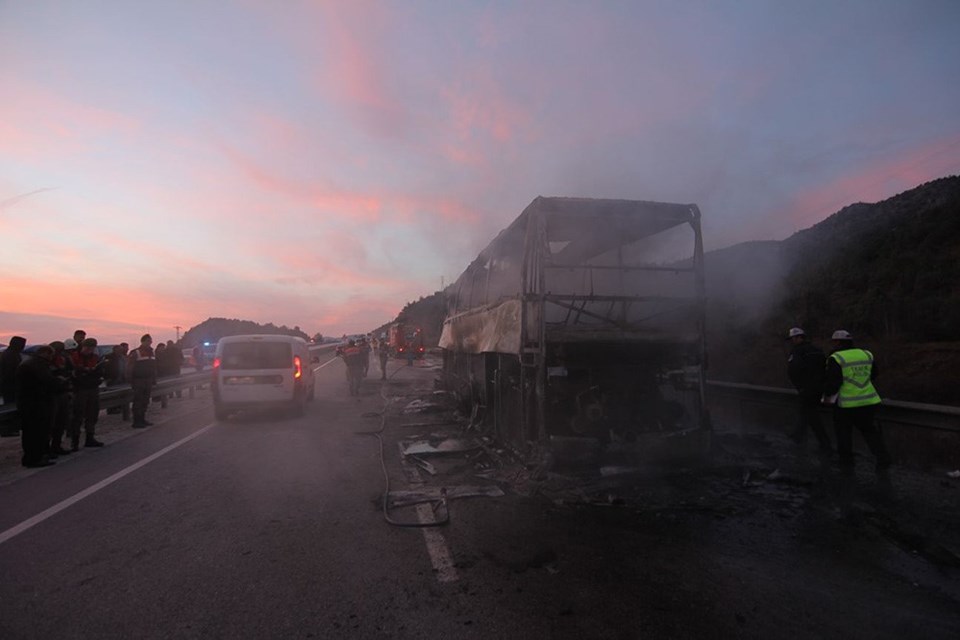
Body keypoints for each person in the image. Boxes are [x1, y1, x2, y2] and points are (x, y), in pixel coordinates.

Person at [822, 329, 892, 472]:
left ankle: (847, 463)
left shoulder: (836, 357)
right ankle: (883, 458)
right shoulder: (866, 354)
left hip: (846, 404)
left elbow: (833, 382)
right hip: (868, 401)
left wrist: (827, 395)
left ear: (837, 342)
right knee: (870, 431)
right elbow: (874, 374)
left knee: (844, 434)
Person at [16, 345, 67, 467]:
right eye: (50, 355)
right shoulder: (37, 364)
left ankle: (35, 457)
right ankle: (34, 458)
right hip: (35, 403)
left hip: (31, 402)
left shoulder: (31, 363)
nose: (51, 358)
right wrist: (60, 381)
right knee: (36, 432)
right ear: (45, 353)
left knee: (33, 432)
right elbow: (47, 381)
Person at [785, 327, 831, 452]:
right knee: (805, 413)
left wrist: (800, 386)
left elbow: (793, 370)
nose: (792, 341)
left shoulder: (797, 351)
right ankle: (797, 437)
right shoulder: (818, 350)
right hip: (819, 388)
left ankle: (825, 444)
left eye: (793, 338)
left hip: (806, 388)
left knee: (811, 415)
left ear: (799, 337)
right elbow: (825, 368)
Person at [70, 337, 105, 448]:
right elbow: (73, 373)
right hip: (80, 389)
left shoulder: (95, 358)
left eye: (92, 348)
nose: (89, 350)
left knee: (92, 414)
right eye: (88, 347)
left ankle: (90, 438)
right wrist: (85, 372)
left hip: (93, 388)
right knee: (78, 415)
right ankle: (74, 440)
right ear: (83, 347)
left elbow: (99, 372)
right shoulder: (74, 357)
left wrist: (91, 374)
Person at [48, 341, 75, 456]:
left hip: (62, 392)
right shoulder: (47, 362)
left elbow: (70, 371)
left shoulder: (63, 358)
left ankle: (56, 446)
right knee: (51, 423)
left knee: (60, 422)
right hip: (52, 394)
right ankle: (48, 448)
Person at [128, 334, 157, 428]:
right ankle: (136, 421)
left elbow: (153, 367)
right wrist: (131, 381)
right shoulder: (136, 352)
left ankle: (142, 419)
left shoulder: (152, 352)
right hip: (138, 380)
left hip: (148, 380)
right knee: (138, 401)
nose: (150, 343)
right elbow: (130, 367)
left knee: (145, 401)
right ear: (143, 341)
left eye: (151, 341)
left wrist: (154, 379)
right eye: (148, 341)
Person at [1, 335, 26, 436]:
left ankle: (11, 428)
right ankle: (8, 429)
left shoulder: (11, 354)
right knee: (10, 408)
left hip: (11, 385)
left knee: (12, 407)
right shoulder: (10, 355)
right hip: (10, 385)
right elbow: (10, 372)